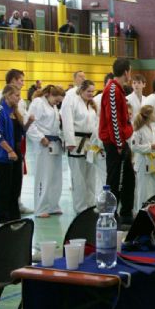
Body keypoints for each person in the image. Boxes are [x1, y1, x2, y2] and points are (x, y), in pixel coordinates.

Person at [0, 85, 34, 226]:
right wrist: (9, 150)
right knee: (2, 187)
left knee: (15, 187)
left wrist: (29, 123)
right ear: (8, 95)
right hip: (3, 155)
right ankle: (0, 218)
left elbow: (21, 132)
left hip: (16, 153)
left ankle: (13, 216)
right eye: (16, 95)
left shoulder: (15, 112)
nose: (19, 97)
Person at [99, 58, 135, 225]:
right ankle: (110, 216)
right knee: (115, 181)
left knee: (128, 179)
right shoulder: (112, 90)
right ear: (126, 71)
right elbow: (113, 119)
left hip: (120, 141)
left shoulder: (119, 90)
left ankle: (126, 213)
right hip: (115, 143)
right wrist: (120, 144)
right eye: (130, 71)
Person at [61, 80, 100, 214]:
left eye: (92, 91)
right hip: (77, 141)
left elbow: (96, 124)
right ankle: (80, 208)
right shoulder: (72, 101)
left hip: (90, 142)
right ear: (81, 90)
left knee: (90, 175)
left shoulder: (92, 105)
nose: (91, 94)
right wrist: (69, 141)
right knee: (78, 177)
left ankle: (90, 205)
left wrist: (98, 143)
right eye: (88, 91)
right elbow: (67, 121)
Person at [27, 85, 65, 218]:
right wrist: (40, 138)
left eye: (59, 101)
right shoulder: (38, 103)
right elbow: (30, 123)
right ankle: (40, 207)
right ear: (49, 94)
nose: (58, 103)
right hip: (43, 143)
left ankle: (53, 205)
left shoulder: (53, 106)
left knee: (55, 177)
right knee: (43, 176)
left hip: (55, 143)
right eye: (57, 100)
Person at [131, 105, 155, 211]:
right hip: (143, 161)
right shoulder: (138, 129)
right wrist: (151, 147)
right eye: (154, 113)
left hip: (154, 159)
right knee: (143, 189)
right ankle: (139, 211)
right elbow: (134, 146)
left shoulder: (153, 127)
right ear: (148, 115)